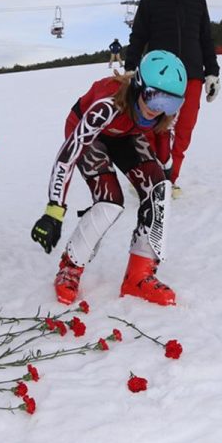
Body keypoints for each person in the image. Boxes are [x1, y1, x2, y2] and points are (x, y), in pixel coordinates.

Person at [31, 51, 186, 307]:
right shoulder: (108, 104)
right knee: (110, 201)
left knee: (159, 190)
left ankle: (139, 275)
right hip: (91, 134)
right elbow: (69, 154)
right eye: (153, 97)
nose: (157, 110)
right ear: (138, 87)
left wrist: (165, 172)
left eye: (169, 104)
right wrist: (54, 210)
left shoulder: (161, 114)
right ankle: (71, 266)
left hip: (125, 134)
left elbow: (164, 137)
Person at [124, 0, 220, 198]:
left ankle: (170, 178)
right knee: (156, 128)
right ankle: (154, 176)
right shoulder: (149, 2)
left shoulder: (198, 2)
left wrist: (212, 73)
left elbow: (206, 40)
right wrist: (130, 67)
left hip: (191, 75)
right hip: (159, 78)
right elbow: (138, 37)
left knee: (185, 128)